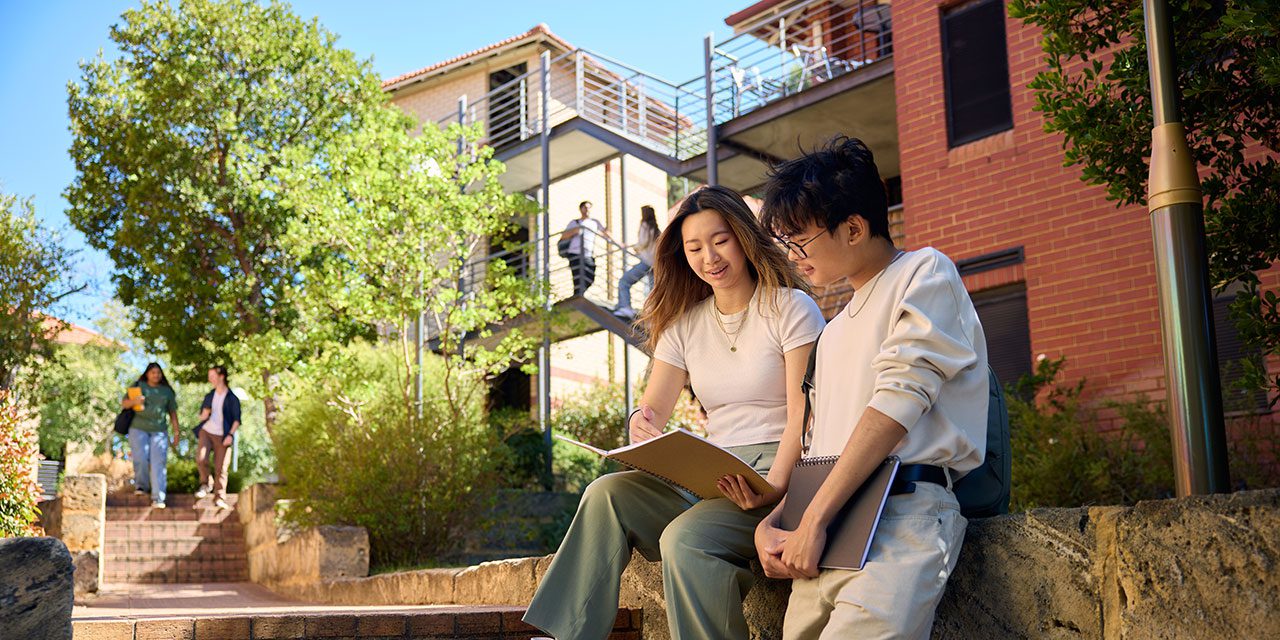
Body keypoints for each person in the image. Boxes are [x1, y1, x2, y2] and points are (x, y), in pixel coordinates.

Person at [524, 186, 826, 640]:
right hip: (712, 474)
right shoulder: (684, 325)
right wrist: (639, 424)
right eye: (694, 247)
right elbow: (652, 408)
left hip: (782, 473)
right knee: (607, 494)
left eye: (720, 240)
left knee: (684, 540)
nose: (710, 257)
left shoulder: (790, 308)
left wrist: (776, 489)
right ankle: (567, 635)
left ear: (744, 237)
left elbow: (805, 415)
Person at [755, 136, 989, 639]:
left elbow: (896, 403)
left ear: (854, 228)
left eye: (800, 241)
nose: (792, 257)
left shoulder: (924, 272)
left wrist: (812, 519)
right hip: (828, 530)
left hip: (904, 513)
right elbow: (819, 445)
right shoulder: (833, 330)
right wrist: (774, 521)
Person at [121, 362, 180, 508]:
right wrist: (134, 401)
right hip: (138, 428)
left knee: (158, 462)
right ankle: (141, 486)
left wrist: (176, 432)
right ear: (147, 373)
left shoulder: (167, 391)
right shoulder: (138, 386)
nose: (156, 375)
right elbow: (124, 404)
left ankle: (158, 498)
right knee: (140, 459)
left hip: (159, 431)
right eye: (153, 372)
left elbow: (173, 413)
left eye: (158, 372)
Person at [194, 365, 241, 510]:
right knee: (201, 459)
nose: (210, 379)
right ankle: (206, 483)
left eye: (212, 376)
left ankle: (220, 497)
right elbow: (202, 416)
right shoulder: (210, 396)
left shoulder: (232, 398)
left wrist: (230, 435)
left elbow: (236, 420)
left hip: (223, 435)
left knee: (221, 468)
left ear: (221, 376)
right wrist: (204, 414)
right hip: (207, 431)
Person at [612, 204, 661, 319]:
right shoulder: (656, 229)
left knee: (624, 282)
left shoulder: (644, 225)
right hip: (655, 264)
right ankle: (653, 315)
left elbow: (642, 243)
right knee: (652, 291)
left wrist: (634, 248)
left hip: (646, 262)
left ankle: (625, 307)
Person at [560, 200, 609, 296]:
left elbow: (606, 234)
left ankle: (578, 295)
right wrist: (576, 230)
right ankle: (577, 295)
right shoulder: (575, 222)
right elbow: (563, 236)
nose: (587, 210)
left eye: (589, 208)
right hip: (574, 252)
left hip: (588, 253)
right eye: (585, 207)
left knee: (590, 276)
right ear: (581, 209)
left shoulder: (594, 222)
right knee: (578, 277)